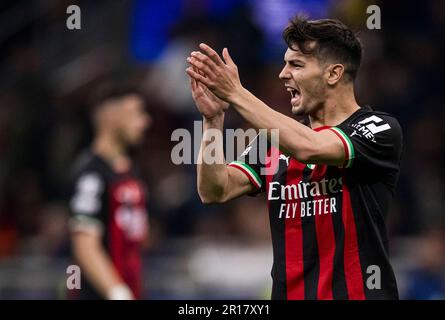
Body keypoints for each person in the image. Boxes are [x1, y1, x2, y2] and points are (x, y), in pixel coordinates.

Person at [186, 16, 403, 299]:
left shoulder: (378, 128)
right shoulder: (273, 142)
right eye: (285, 63)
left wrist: (237, 93)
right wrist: (213, 120)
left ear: (333, 74)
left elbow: (309, 147)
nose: (282, 74)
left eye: (296, 65)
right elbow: (215, 190)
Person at [67, 82, 151, 300]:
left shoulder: (131, 171)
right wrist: (117, 292)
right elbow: (85, 245)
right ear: (110, 116)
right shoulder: (90, 174)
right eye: (136, 113)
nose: (145, 122)